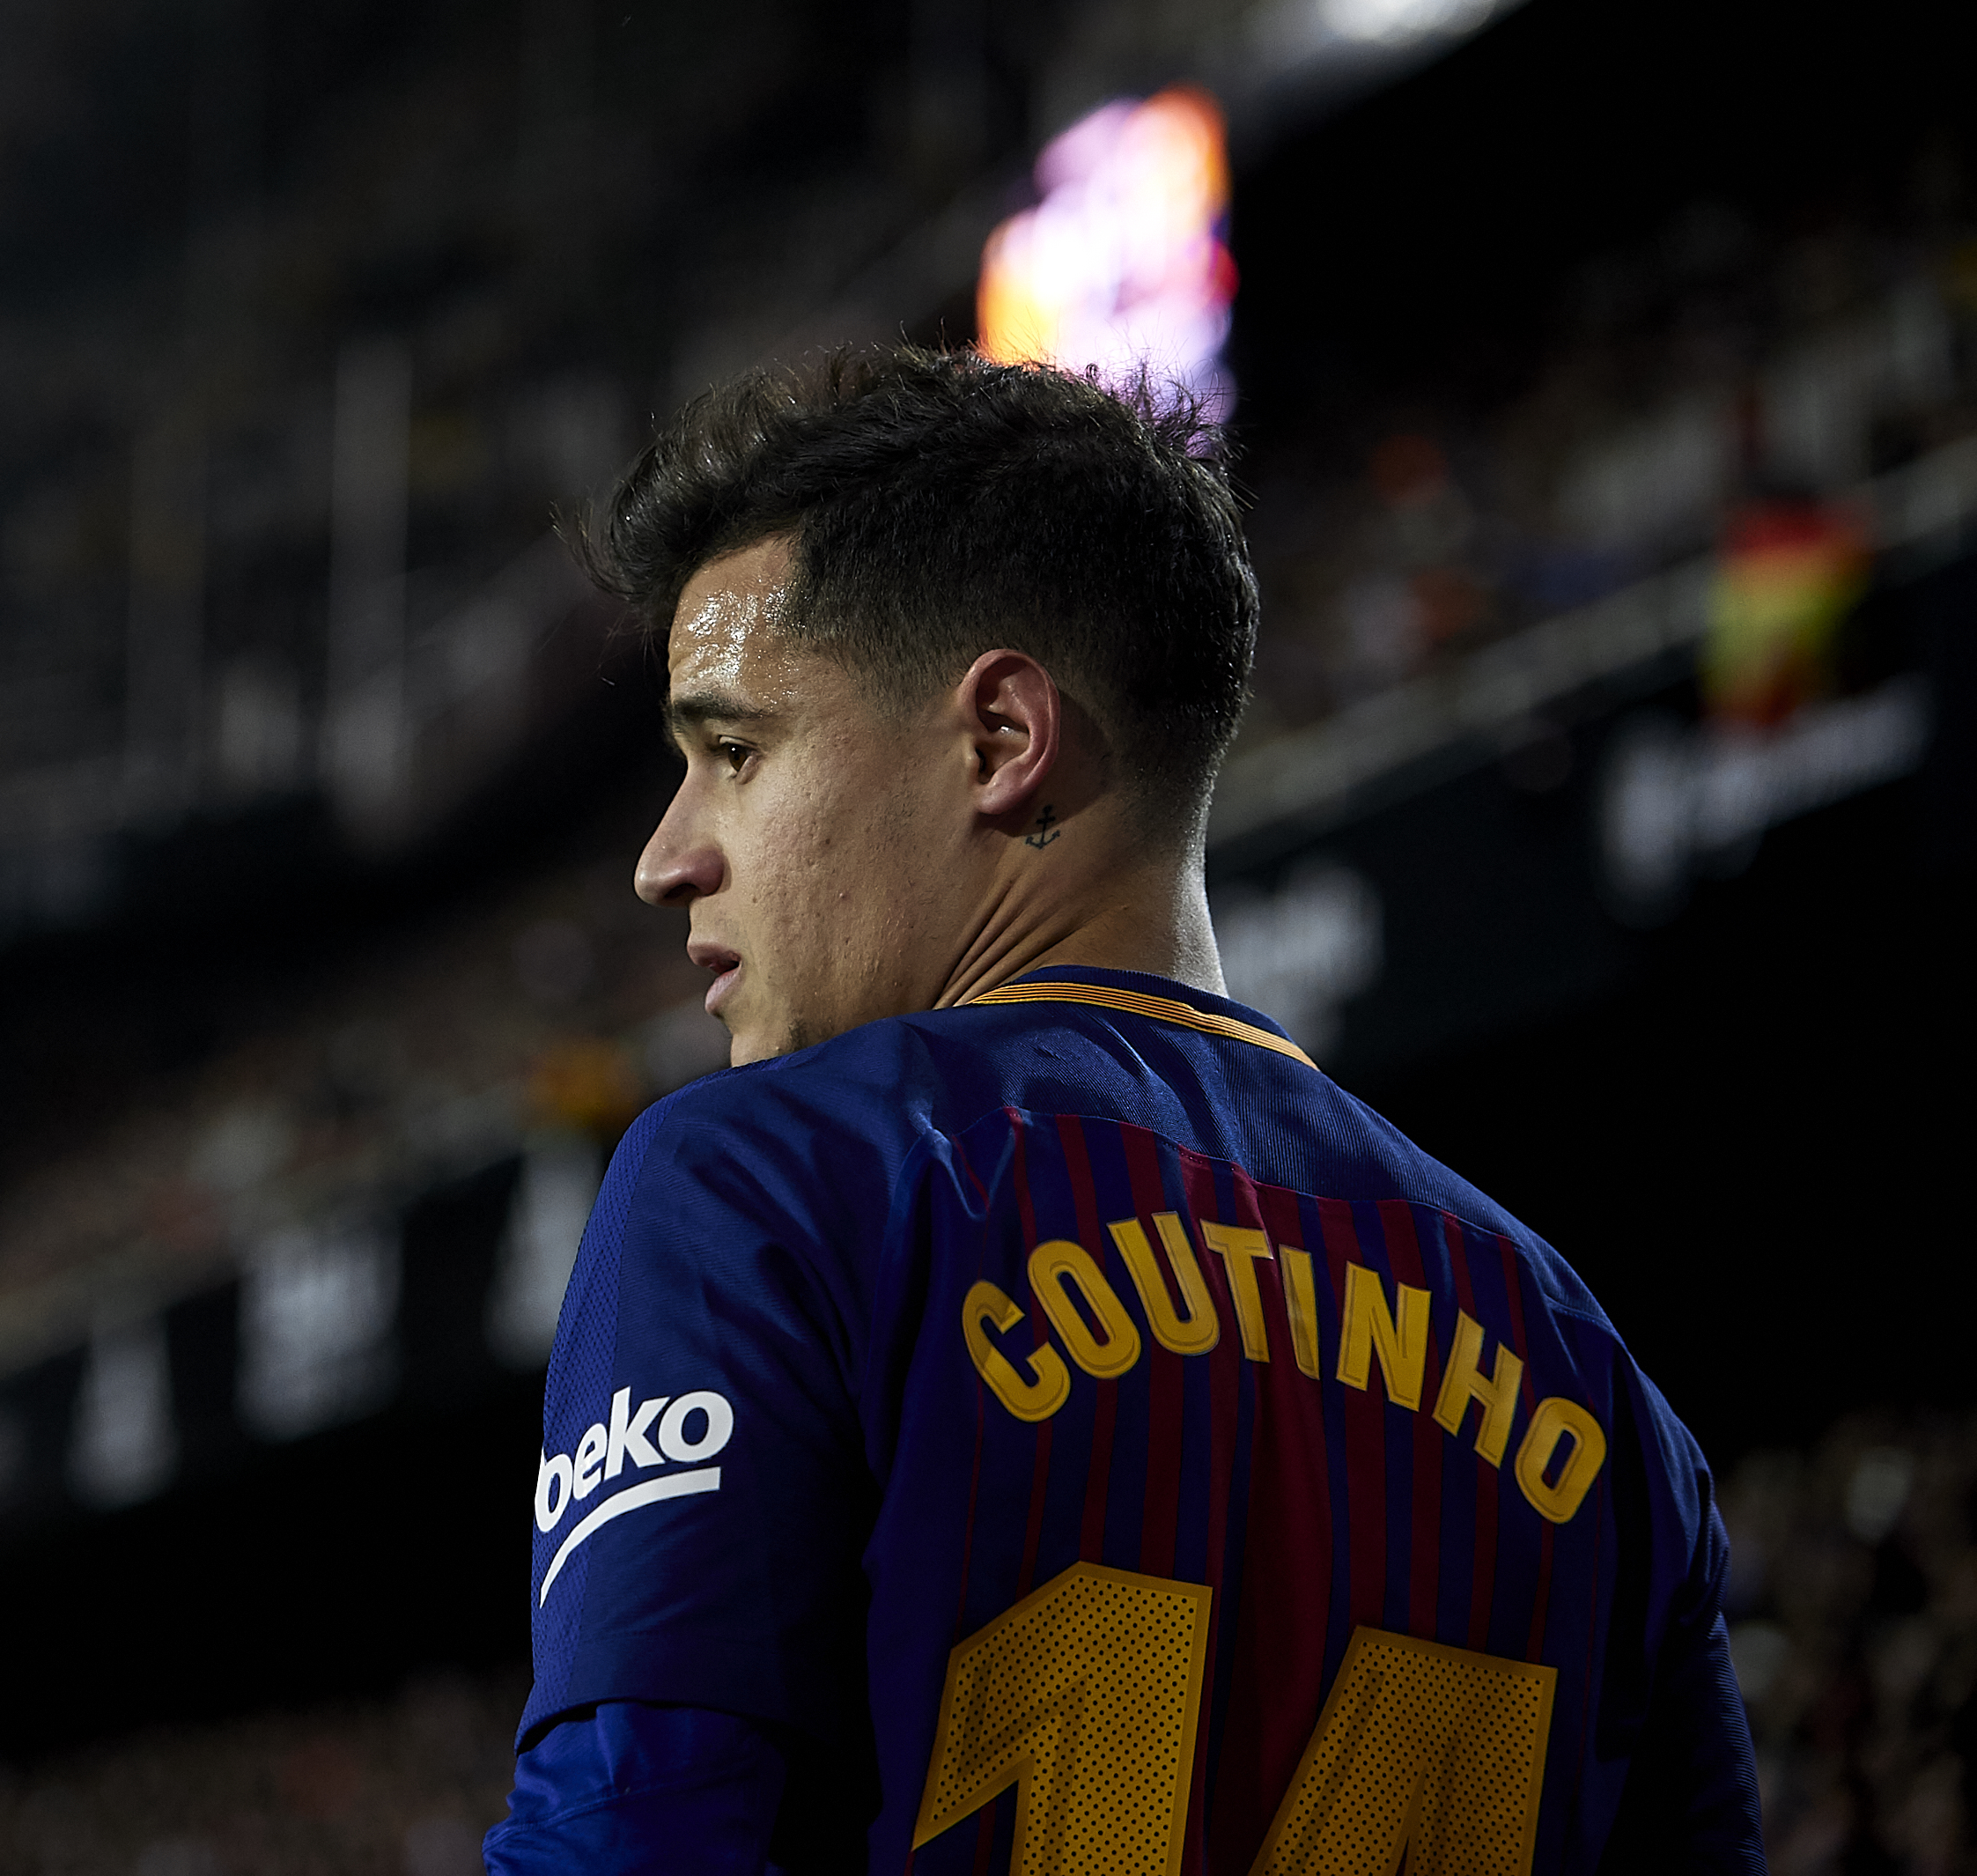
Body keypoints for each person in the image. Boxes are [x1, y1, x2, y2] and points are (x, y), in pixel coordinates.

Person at [483, 351, 1759, 1873]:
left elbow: (630, 1840)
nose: (665, 855)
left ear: (1002, 739)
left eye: (735, 753)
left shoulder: (765, 1182)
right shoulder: (1596, 1378)